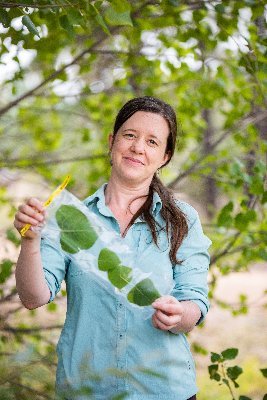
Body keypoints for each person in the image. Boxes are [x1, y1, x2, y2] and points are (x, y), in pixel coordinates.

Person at [14, 96, 212, 400]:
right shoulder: (70, 218)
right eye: (129, 135)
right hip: (87, 389)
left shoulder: (182, 220)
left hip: (163, 391)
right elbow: (33, 297)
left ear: (165, 156)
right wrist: (30, 241)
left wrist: (179, 315)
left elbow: (194, 302)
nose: (138, 148)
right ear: (112, 141)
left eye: (152, 142)